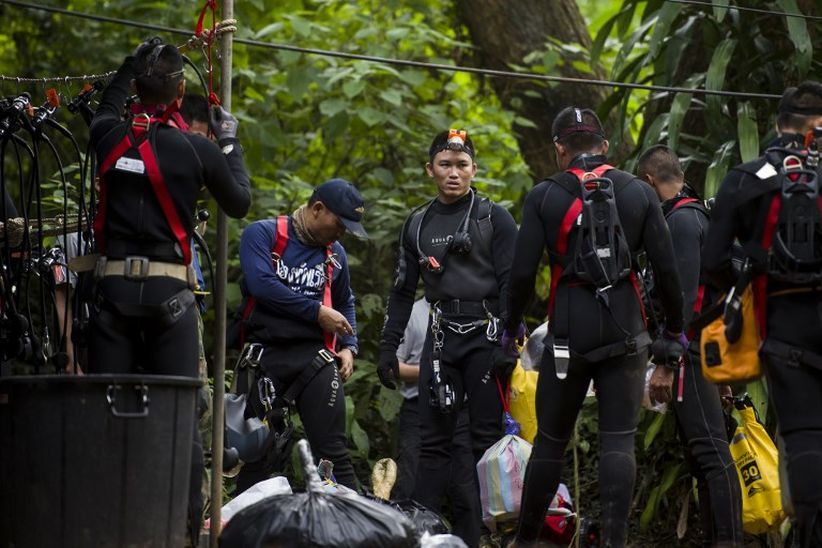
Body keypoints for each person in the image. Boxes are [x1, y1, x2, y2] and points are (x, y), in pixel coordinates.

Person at [87, 37, 251, 543]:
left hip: (112, 292)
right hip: (169, 296)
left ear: (137, 87)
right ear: (180, 91)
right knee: (182, 421)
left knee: (107, 415)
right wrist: (229, 143)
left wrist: (129, 65)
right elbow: (239, 202)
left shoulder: (106, 135)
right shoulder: (196, 149)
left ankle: (107, 524)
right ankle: (183, 531)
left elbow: (110, 102)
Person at [503, 107, 685, 546]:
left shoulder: (544, 196)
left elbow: (522, 276)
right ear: (604, 147)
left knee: (550, 440)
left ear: (559, 150)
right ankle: (614, 542)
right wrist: (673, 333)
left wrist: (512, 328)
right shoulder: (638, 193)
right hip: (624, 328)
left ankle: (525, 542)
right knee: (618, 440)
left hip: (569, 330)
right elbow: (667, 271)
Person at [378, 129, 519, 547]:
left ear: (474, 169)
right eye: (445, 164)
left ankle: (483, 536)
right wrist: (388, 347)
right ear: (430, 170)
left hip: (485, 339)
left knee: (485, 442)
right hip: (441, 341)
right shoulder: (417, 224)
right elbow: (403, 291)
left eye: (461, 165)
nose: (454, 173)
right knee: (433, 443)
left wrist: (509, 342)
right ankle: (424, 536)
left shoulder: (496, 217)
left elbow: (514, 283)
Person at [702, 82, 822, 547]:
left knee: (806, 434)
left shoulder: (745, 178)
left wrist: (747, 275)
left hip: (783, 328)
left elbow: (712, 261)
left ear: (778, 125)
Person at [637, 145, 743, 546]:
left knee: (711, 454)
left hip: (690, 354)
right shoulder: (700, 214)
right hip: (705, 352)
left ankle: (728, 541)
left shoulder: (681, 221)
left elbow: (684, 298)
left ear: (649, 182)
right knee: (705, 456)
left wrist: (667, 361)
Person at [235, 178, 366, 493]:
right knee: (259, 453)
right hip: (265, 356)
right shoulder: (263, 235)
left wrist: (349, 346)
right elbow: (262, 285)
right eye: (340, 223)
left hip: (314, 359)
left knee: (333, 454)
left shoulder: (335, 254)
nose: (342, 232)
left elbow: (345, 300)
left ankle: (357, 528)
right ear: (318, 209)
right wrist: (317, 312)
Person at [393, 298, 480, 541]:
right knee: (412, 488)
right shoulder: (413, 313)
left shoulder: (470, 310)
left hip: (458, 412)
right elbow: (393, 366)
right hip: (419, 410)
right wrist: (433, 371)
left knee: (466, 494)